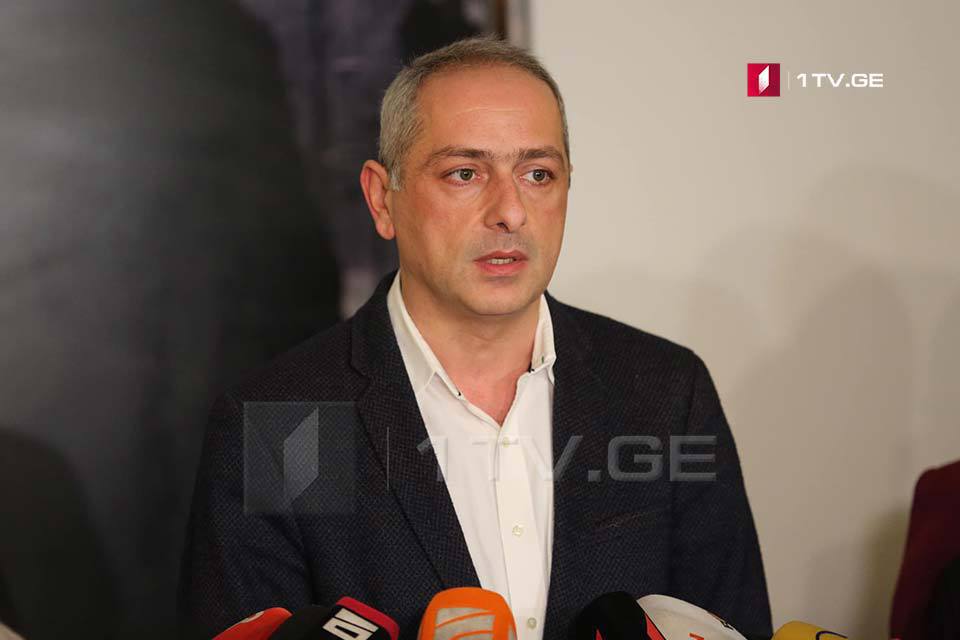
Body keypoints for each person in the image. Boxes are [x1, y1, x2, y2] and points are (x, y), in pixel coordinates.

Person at [178, 37, 772, 640]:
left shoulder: (665, 391)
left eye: (538, 174)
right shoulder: (283, 418)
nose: (510, 211)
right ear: (383, 200)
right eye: (465, 173)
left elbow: (733, 624)